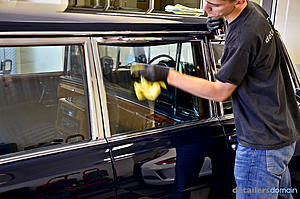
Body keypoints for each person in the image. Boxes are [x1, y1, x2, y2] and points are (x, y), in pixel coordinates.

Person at [132, 0, 300, 198]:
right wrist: (224, 24)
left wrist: (169, 75)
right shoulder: (254, 10)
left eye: (214, 5)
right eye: (206, 1)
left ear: (238, 1)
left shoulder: (244, 35)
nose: (205, 9)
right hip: (281, 132)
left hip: (260, 148)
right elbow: (249, 48)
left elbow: (220, 92)